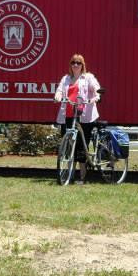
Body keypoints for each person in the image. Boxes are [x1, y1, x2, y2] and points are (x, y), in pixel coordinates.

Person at [54, 54, 100, 184]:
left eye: (78, 63)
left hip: (84, 116)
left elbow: (96, 88)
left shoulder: (88, 77)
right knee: (68, 145)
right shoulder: (66, 78)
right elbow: (59, 91)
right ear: (70, 65)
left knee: (80, 146)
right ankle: (70, 174)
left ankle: (83, 176)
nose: (75, 65)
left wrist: (96, 96)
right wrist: (57, 96)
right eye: (73, 62)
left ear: (82, 65)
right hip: (67, 115)